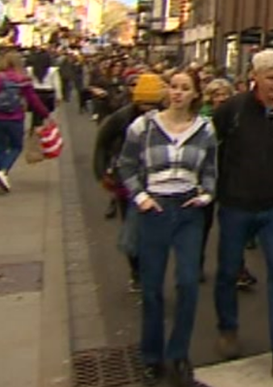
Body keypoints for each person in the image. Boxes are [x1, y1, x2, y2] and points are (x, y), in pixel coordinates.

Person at [211, 49, 273, 380]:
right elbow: (212, 151)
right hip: (235, 205)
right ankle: (228, 329)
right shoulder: (232, 110)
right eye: (271, 78)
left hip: (272, 208)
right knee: (227, 271)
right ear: (255, 76)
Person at [115, 70, 217, 387]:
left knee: (188, 284)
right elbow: (126, 164)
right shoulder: (144, 126)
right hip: (155, 209)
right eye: (173, 87)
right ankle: (151, 357)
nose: (177, 93)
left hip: (188, 209)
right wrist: (141, 196)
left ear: (194, 95)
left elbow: (211, 168)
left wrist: (205, 194)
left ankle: (178, 356)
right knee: (152, 287)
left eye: (185, 88)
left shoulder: (205, 129)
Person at [92, 73, 168, 290]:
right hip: (128, 181)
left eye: (153, 104)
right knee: (131, 229)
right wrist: (101, 173)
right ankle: (136, 271)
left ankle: (150, 270)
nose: (149, 109)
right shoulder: (121, 118)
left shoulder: (166, 117)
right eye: (144, 104)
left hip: (158, 181)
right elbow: (102, 143)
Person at [198, 77, 234, 282]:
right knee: (204, 223)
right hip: (205, 177)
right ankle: (197, 262)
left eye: (225, 94)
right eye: (217, 95)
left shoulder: (236, 117)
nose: (221, 98)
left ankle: (235, 267)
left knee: (231, 223)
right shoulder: (202, 120)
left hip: (230, 176)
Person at [0, 50, 51, 193]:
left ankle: (2, 171)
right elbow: (33, 99)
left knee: (1, 146)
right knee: (16, 146)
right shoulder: (23, 79)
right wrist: (45, 113)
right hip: (15, 118)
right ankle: (3, 171)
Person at [26, 49, 62, 129]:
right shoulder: (52, 71)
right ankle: (46, 132)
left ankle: (34, 131)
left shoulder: (31, 70)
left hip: (35, 93)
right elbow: (57, 85)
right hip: (48, 94)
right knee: (47, 115)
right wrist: (59, 97)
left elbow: (28, 82)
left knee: (35, 115)